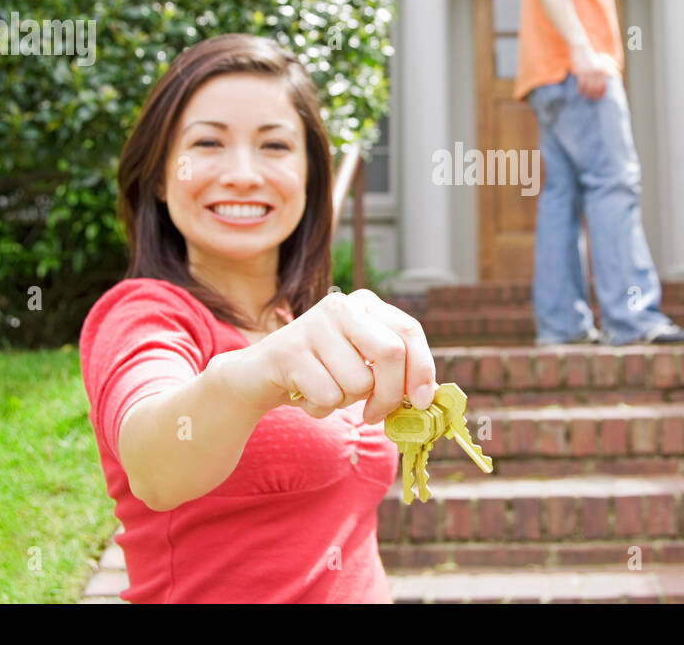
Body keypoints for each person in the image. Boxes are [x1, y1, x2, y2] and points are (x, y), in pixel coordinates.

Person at [79, 33, 437, 603]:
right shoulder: (146, 313)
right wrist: (250, 375)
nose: (243, 174)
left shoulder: (306, 325)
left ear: (309, 178)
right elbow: (152, 462)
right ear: (161, 178)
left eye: (274, 146)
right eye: (208, 144)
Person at [516, 0, 684, 347]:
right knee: (615, 186)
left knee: (561, 199)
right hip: (578, 75)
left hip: (553, 78)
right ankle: (633, 319)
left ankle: (562, 326)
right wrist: (582, 50)